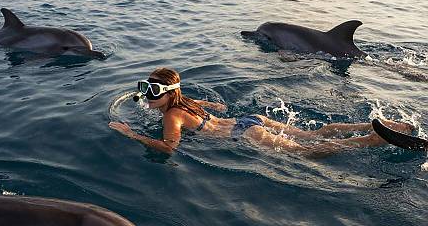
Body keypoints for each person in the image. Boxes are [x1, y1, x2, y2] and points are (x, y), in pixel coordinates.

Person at [108, 67, 414, 157]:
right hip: (248, 120)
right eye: (144, 89)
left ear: (167, 95)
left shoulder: (171, 116)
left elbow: (169, 148)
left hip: (245, 132)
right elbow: (209, 106)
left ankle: (374, 140)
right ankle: (382, 124)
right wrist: (215, 106)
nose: (146, 97)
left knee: (308, 152)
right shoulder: (183, 102)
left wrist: (131, 134)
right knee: (313, 133)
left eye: (152, 92)